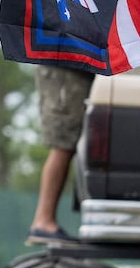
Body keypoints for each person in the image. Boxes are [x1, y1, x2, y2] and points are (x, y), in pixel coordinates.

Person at [28, 64, 93, 242]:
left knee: (69, 143)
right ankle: (43, 221)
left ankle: (44, 220)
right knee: (63, 143)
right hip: (64, 65)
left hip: (75, 64)